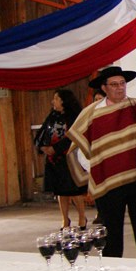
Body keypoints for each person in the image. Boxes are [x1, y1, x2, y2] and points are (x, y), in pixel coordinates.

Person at [66, 66, 136, 259]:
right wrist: (98, 169)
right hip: (107, 183)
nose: (120, 88)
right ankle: (112, 270)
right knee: (111, 234)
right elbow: (80, 150)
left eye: (122, 83)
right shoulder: (91, 114)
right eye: (114, 84)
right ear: (104, 87)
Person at [35, 89, 88, 228]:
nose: (53, 101)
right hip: (54, 159)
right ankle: (65, 220)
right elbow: (42, 133)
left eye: (56, 99)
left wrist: (56, 148)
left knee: (74, 190)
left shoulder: (74, 116)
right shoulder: (52, 116)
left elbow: (73, 136)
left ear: (64, 101)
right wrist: (42, 147)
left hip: (70, 158)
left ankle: (82, 217)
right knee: (60, 191)